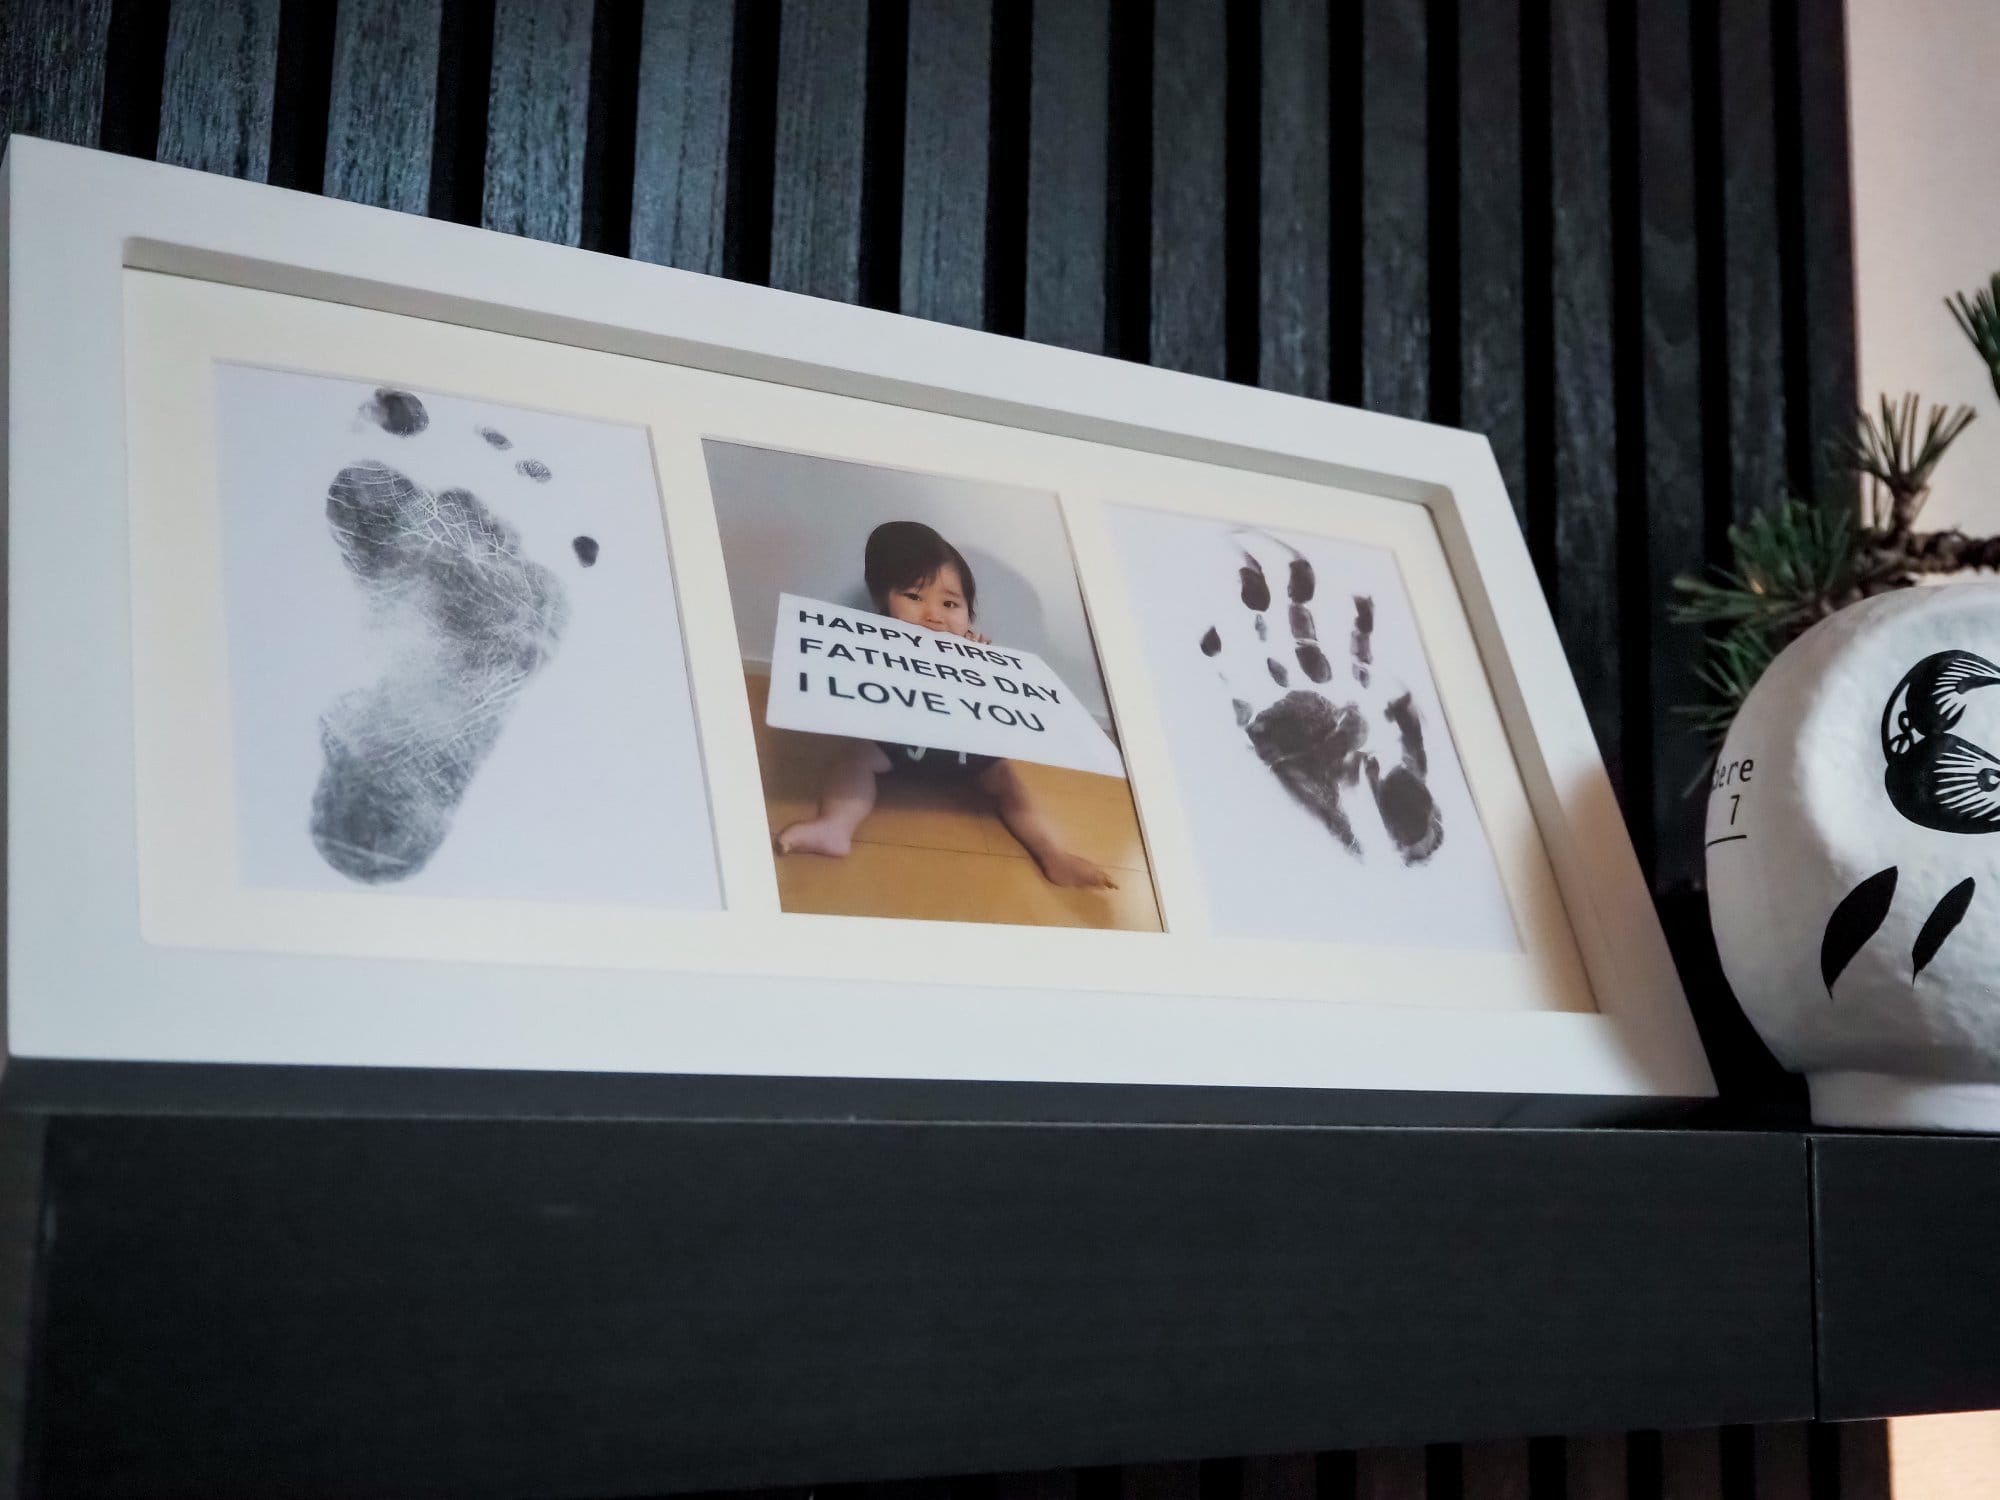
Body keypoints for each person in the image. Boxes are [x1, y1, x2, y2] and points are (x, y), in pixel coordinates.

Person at [775, 521, 1116, 889]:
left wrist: (982, 667)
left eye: (950, 603)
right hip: (899, 747)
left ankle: (1054, 855)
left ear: (969, 612)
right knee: (856, 759)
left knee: (1008, 780)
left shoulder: (975, 650)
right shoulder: (874, 645)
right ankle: (835, 825)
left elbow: (1000, 705)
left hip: (966, 756)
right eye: (914, 597)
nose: (934, 615)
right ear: (884, 604)